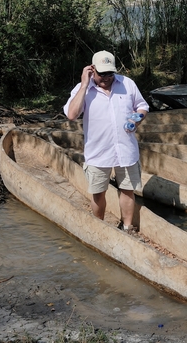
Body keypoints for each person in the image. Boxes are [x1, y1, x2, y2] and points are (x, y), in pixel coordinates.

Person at [63, 50, 149, 233]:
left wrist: (137, 118)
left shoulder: (127, 84)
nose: (107, 78)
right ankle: (100, 228)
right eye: (102, 74)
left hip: (125, 149)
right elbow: (71, 114)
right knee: (98, 192)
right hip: (98, 151)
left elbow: (142, 106)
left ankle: (127, 227)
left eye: (110, 73)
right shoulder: (82, 89)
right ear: (92, 70)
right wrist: (84, 84)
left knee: (127, 189)